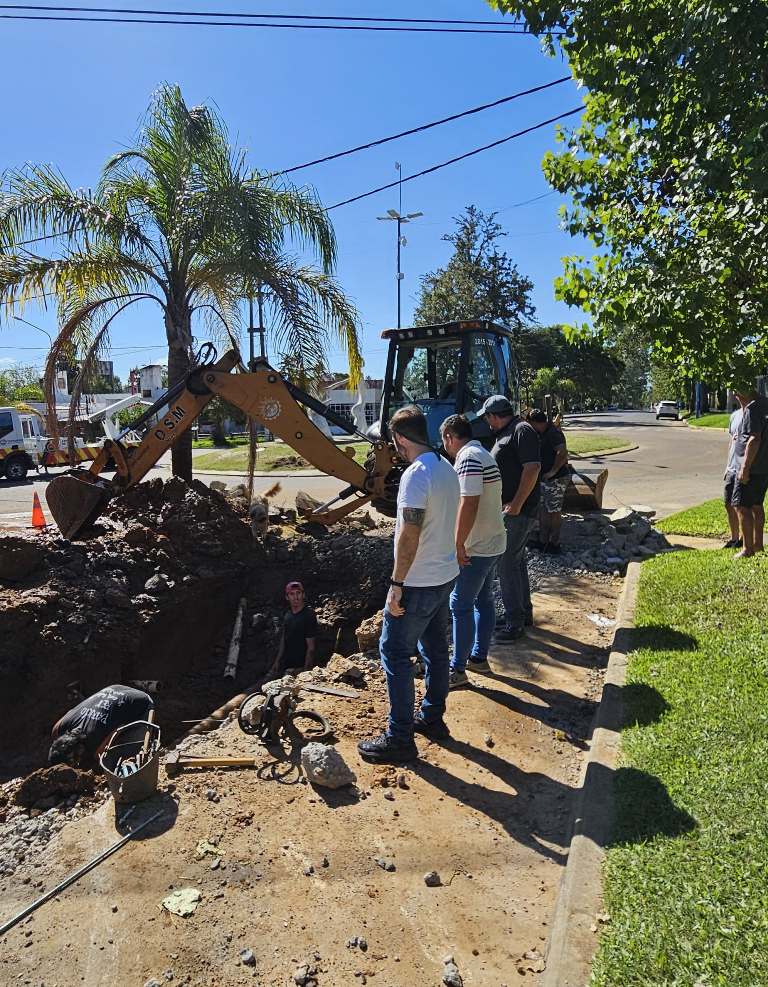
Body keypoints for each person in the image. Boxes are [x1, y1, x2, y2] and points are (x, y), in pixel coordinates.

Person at [358, 405, 460, 764]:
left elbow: (410, 532)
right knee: (434, 650)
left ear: (400, 439)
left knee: (395, 652)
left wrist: (396, 583)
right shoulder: (447, 468)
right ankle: (432, 718)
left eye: (394, 442)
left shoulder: (416, 475)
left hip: (418, 581)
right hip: (444, 575)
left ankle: (400, 737)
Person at [440, 414, 506, 689]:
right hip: (493, 541)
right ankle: (478, 658)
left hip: (476, 546)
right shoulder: (483, 453)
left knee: (460, 604)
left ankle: (458, 669)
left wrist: (458, 544)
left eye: (444, 441)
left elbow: (469, 503)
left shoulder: (467, 459)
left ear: (449, 438)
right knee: (483, 600)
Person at [480, 394, 541, 642]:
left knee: (505, 564)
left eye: (487, 418)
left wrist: (516, 504)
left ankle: (514, 623)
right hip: (513, 509)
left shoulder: (521, 430)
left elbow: (533, 468)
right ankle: (522, 613)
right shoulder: (508, 432)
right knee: (516, 562)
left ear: (494, 416)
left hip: (518, 511)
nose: (487, 424)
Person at [48, 684, 154, 768]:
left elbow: (117, 731)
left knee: (123, 753)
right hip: (114, 689)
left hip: (141, 702)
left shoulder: (97, 746)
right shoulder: (57, 729)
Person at [731, 383, 768, 557]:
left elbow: (754, 439)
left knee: (741, 506)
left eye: (737, 392)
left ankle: (747, 549)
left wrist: (744, 468)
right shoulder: (765, 404)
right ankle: (758, 545)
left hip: (752, 469)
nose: (735, 395)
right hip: (763, 468)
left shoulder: (753, 409)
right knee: (756, 505)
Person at [527, 409, 570, 554]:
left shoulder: (553, 433)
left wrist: (553, 471)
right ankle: (543, 540)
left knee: (554, 511)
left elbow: (562, 453)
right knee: (544, 509)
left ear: (536, 423)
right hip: (545, 479)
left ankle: (555, 543)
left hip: (556, 479)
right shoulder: (542, 433)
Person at [267, 581, 317, 678]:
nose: (296, 597)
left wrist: (306, 673)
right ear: (287, 597)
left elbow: (311, 648)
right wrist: (277, 662)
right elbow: (284, 640)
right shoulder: (288, 615)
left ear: (303, 595)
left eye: (298, 593)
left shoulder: (308, 616)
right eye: (292, 594)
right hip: (286, 665)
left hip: (300, 668)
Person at [723, 404, 744, 549]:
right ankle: (734, 538)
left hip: (743, 469)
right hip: (731, 468)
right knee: (728, 503)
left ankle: (744, 539)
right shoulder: (734, 415)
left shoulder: (753, 415)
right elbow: (732, 441)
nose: (737, 394)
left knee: (741, 506)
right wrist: (727, 465)